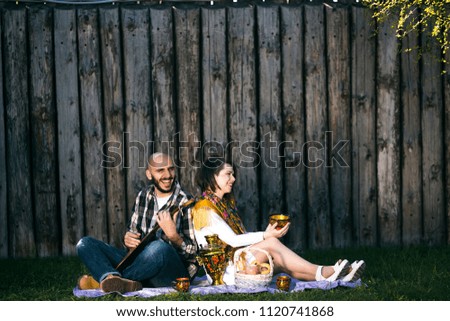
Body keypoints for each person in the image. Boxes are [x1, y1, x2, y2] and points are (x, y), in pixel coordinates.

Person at [192, 156, 365, 285]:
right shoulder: (204, 209)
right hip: (224, 273)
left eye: (233, 174)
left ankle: (334, 276)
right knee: (272, 242)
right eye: (228, 174)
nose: (234, 179)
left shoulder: (224, 205)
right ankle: (332, 272)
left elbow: (240, 239)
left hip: (237, 262)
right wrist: (266, 235)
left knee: (281, 263)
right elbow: (234, 240)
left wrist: (265, 234)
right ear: (212, 177)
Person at [76, 153, 198, 293]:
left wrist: (174, 237)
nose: (167, 175)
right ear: (149, 174)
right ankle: (118, 280)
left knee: (159, 248)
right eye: (160, 170)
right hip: (141, 266)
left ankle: (102, 281)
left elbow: (196, 255)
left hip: (172, 274)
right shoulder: (143, 196)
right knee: (85, 244)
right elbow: (133, 236)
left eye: (171, 169)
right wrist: (127, 240)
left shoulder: (186, 202)